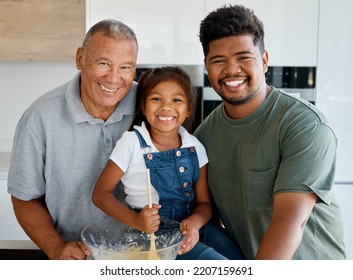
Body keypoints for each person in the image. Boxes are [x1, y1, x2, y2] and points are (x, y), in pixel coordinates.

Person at [194, 4, 346, 260]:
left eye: (244, 57)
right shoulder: (203, 137)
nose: (232, 70)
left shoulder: (304, 125)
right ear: (207, 67)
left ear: (264, 61)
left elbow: (290, 222)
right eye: (218, 60)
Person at [7, 19, 138, 260]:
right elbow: (25, 199)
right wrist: (56, 248)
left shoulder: (151, 106)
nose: (114, 78)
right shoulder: (40, 118)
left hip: (143, 254)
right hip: (75, 257)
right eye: (104, 63)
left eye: (126, 67)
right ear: (80, 59)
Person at [92, 66, 245, 260]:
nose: (166, 107)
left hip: (195, 227)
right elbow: (100, 194)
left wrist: (196, 223)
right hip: (154, 236)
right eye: (156, 99)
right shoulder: (132, 143)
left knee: (241, 260)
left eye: (177, 100)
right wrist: (137, 221)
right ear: (143, 106)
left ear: (188, 108)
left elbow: (204, 203)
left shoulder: (195, 147)